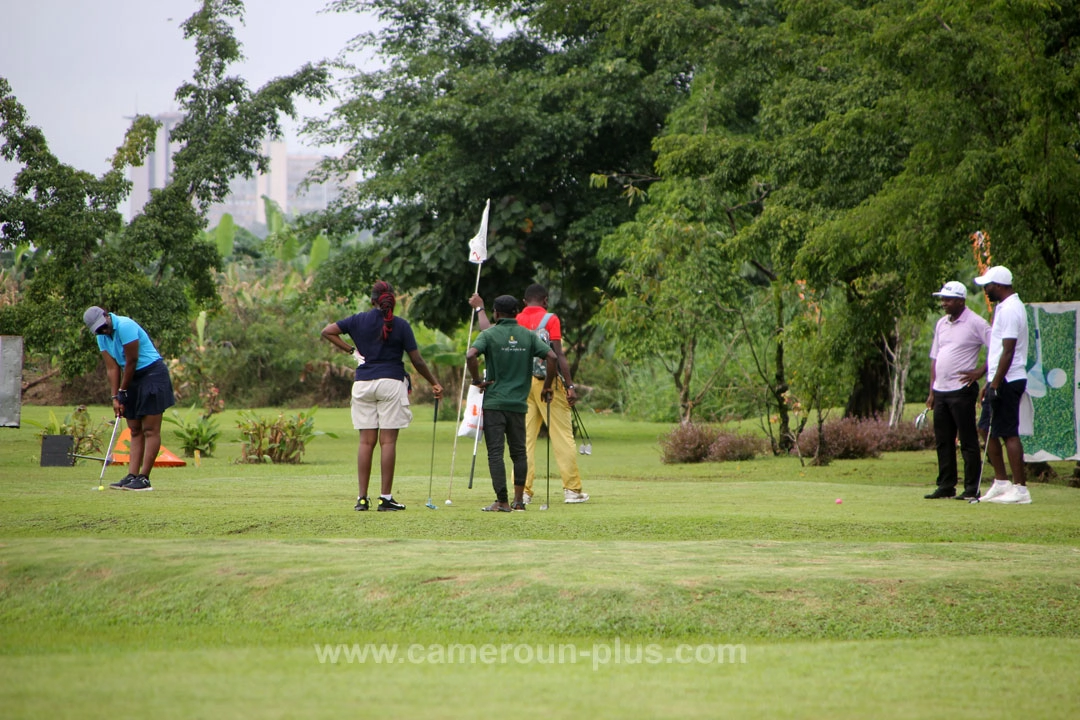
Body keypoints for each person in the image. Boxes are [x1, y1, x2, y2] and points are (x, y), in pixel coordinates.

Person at [321, 281, 443, 512]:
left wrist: (351, 351)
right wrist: (434, 383)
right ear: (392, 301)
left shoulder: (357, 320)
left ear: (372, 300)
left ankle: (362, 499)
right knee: (388, 442)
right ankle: (385, 498)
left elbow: (327, 331)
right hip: (391, 383)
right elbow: (417, 360)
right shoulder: (401, 325)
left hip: (363, 384)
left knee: (366, 442)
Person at [470, 284, 590, 504]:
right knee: (562, 436)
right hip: (548, 384)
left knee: (524, 440)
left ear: (524, 303)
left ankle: (523, 492)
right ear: (545, 300)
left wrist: (480, 309)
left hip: (523, 386)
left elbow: (487, 333)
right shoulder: (551, 319)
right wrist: (569, 386)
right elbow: (557, 355)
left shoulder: (517, 321)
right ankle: (572, 490)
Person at [466, 294, 557, 512]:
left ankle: (502, 501)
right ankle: (518, 502)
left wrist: (478, 381)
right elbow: (552, 357)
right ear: (516, 312)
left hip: (495, 403)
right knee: (519, 452)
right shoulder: (527, 336)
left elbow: (471, 355)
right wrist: (547, 387)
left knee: (495, 453)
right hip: (518, 404)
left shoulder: (489, 335)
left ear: (496, 313)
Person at [83, 306, 176, 492]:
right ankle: (132, 476)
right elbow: (112, 368)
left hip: (151, 374)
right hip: (131, 377)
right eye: (99, 330)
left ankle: (144, 478)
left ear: (107, 316)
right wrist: (115, 397)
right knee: (134, 429)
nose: (104, 331)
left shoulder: (125, 326)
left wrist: (123, 389)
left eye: (104, 326)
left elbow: (131, 361)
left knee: (150, 428)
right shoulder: (102, 337)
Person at [924, 281, 991, 500]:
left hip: (962, 390)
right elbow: (935, 357)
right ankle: (946, 485)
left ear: (961, 301)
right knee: (944, 440)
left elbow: (998, 348)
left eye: (948, 299)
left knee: (967, 440)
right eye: (942, 299)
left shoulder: (975, 322)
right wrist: (932, 390)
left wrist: (980, 371)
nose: (944, 303)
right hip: (941, 391)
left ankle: (972, 487)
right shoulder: (942, 323)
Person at [973, 266, 1031, 504]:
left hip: (1009, 379)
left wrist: (996, 383)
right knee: (985, 428)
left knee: (1008, 432)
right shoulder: (1003, 307)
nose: (985, 290)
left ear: (999, 285)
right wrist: (990, 382)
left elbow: (1008, 351)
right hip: (1000, 378)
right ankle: (1001, 482)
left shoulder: (1010, 310)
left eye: (987, 286)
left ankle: (1020, 489)